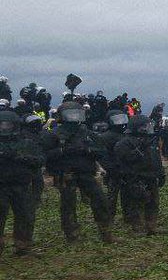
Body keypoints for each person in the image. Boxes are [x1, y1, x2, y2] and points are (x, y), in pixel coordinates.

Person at [42, 100, 114, 243]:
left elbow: (101, 151)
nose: (74, 117)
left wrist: (88, 150)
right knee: (68, 205)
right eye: (70, 114)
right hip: (66, 174)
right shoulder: (54, 134)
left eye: (77, 114)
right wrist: (62, 151)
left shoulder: (87, 133)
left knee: (100, 200)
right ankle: (72, 235)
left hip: (86, 173)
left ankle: (106, 232)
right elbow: (45, 155)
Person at [0, 108, 43, 256]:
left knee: (25, 216)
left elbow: (40, 160)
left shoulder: (26, 143)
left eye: (8, 125)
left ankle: (22, 246)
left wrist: (23, 158)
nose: (4, 128)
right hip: (1, 186)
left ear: (15, 126)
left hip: (21, 185)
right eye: (2, 125)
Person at [115, 114, 166, 235]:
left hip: (151, 176)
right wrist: (139, 149)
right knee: (137, 203)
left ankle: (151, 226)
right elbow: (124, 159)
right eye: (145, 126)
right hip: (136, 177)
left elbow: (156, 159)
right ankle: (137, 227)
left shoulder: (151, 141)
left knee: (153, 202)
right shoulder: (124, 142)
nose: (148, 128)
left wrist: (161, 173)